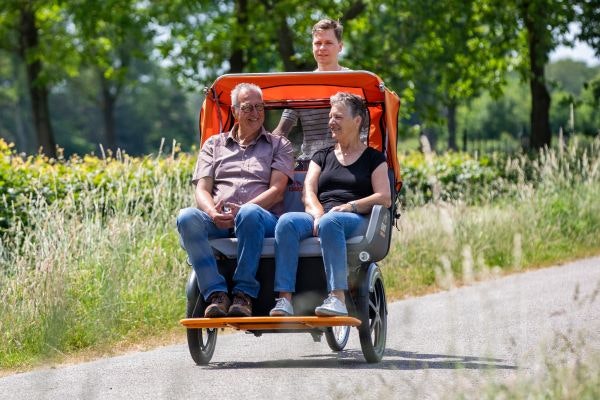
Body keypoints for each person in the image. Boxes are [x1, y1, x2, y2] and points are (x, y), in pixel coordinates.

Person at [177, 83, 294, 318]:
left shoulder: (279, 145)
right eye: (248, 108)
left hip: (263, 220)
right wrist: (212, 213)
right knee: (186, 217)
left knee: (248, 214)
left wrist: (247, 207)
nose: (256, 113)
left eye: (260, 107)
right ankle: (215, 294)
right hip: (220, 219)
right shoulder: (213, 145)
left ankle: (244, 294)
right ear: (234, 111)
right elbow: (202, 189)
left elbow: (277, 190)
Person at [269, 92, 391, 317]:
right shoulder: (322, 155)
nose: (331, 122)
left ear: (357, 121)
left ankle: (338, 297)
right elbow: (309, 189)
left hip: (355, 217)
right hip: (322, 214)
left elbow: (384, 197)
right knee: (286, 222)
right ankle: (284, 299)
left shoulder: (374, 159)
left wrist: (351, 206)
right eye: (330, 116)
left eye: (338, 117)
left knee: (331, 221)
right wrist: (316, 213)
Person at [273, 18, 350, 162]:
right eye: (318, 43)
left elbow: (366, 130)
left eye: (328, 43)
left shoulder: (354, 81)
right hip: (310, 160)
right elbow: (281, 131)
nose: (322, 48)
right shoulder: (302, 86)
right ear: (312, 47)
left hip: (346, 160)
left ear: (340, 47)